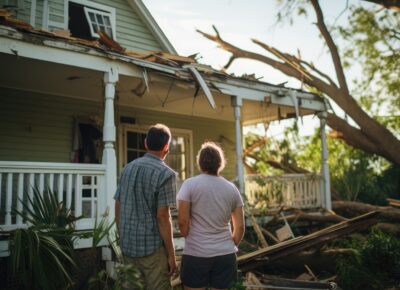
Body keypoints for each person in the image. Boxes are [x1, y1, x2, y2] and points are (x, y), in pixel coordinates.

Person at [114, 123, 177, 290]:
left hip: (127, 246)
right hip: (153, 251)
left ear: (146, 144)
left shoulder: (127, 168)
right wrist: (171, 255)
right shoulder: (166, 174)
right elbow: (163, 217)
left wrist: (122, 235)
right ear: (166, 147)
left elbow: (118, 205)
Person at [177, 141, 245, 290]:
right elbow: (239, 227)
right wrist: (230, 245)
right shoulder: (232, 188)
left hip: (196, 253)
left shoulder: (189, 184)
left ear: (200, 162)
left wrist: (187, 234)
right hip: (225, 255)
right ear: (220, 163)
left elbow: (182, 221)